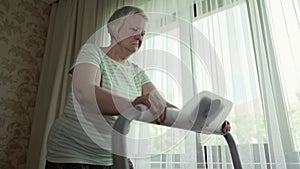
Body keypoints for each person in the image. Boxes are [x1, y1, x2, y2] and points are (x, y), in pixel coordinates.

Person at [45, 6, 231, 169]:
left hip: (112, 155)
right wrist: (132, 105)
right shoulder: (93, 52)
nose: (139, 36)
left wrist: (209, 123)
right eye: (134, 29)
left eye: (143, 33)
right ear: (115, 29)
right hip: (72, 152)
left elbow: (162, 107)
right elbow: (85, 93)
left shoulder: (137, 72)